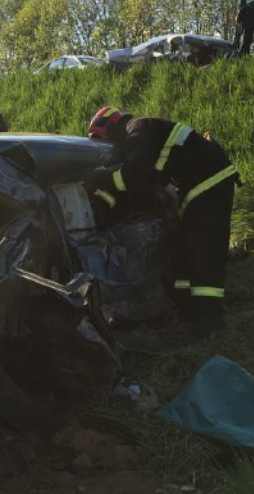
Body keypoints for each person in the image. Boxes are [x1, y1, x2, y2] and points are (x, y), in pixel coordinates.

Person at [87, 107, 238, 334]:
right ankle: (190, 311)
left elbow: (133, 174)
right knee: (187, 249)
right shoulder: (140, 130)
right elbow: (138, 184)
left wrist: (98, 178)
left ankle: (211, 319)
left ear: (110, 130)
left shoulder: (139, 130)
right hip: (201, 182)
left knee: (204, 249)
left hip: (209, 181)